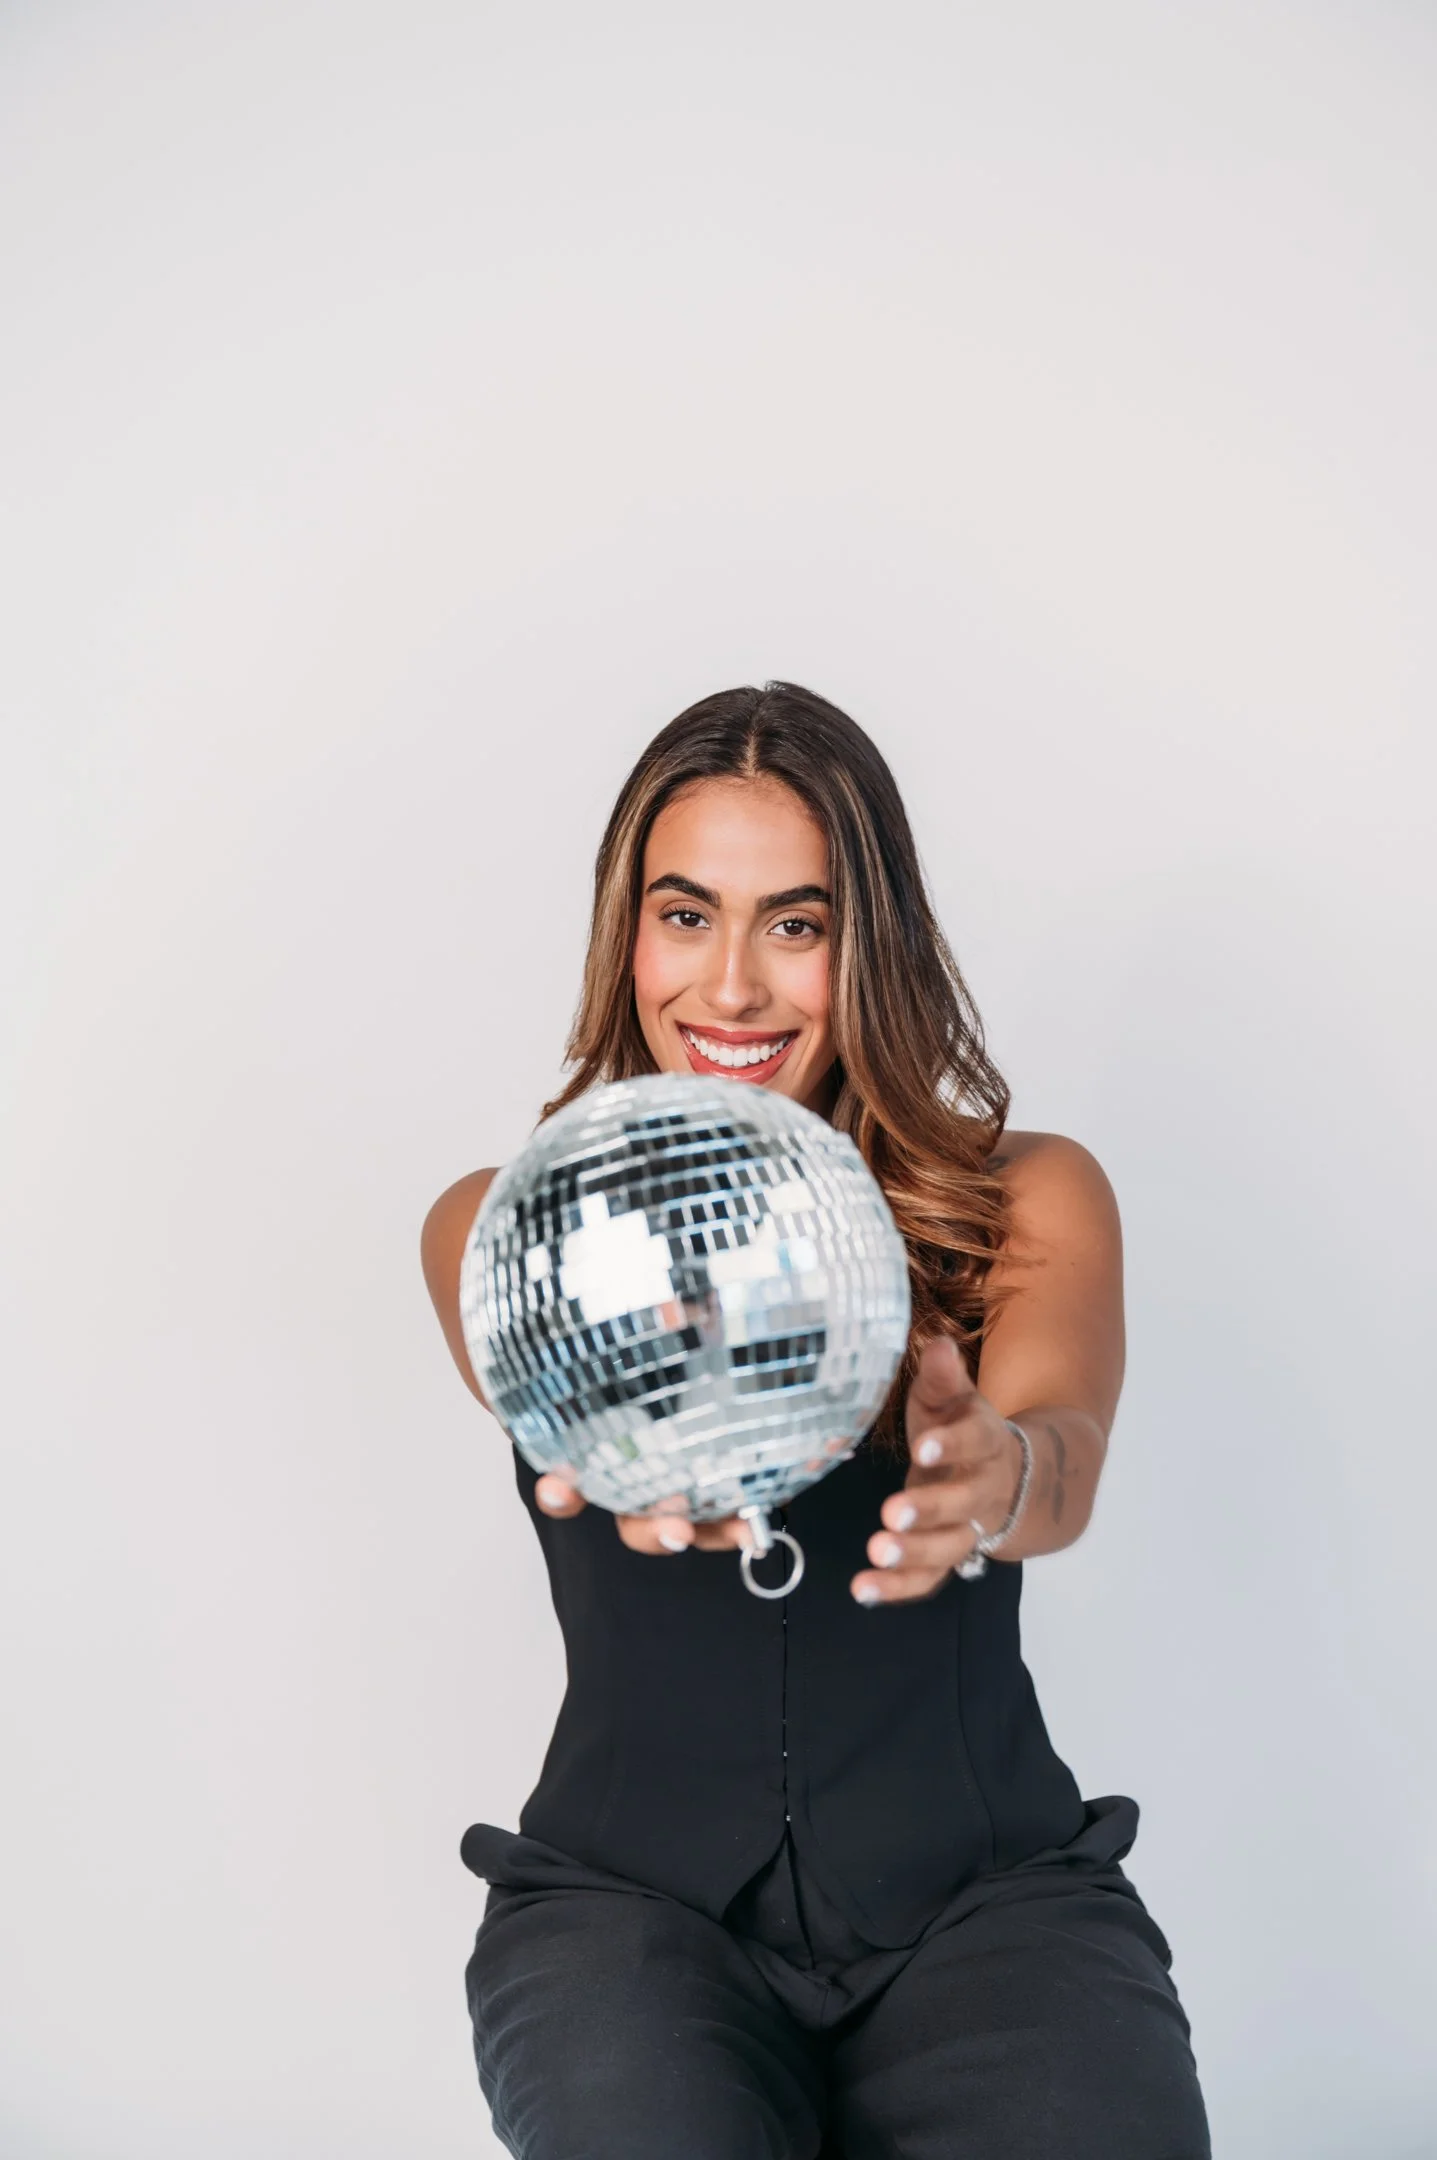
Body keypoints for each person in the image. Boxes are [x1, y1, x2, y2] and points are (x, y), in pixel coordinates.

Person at [420, 681, 1211, 2159]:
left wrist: (996, 1472)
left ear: (875, 945)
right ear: (627, 933)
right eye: (685, 916)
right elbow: (582, 1361)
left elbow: (1061, 1456)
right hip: (626, 1916)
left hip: (989, 1907)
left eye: (797, 924)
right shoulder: (506, 1226)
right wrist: (646, 1417)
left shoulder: (1027, 1198)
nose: (731, 988)